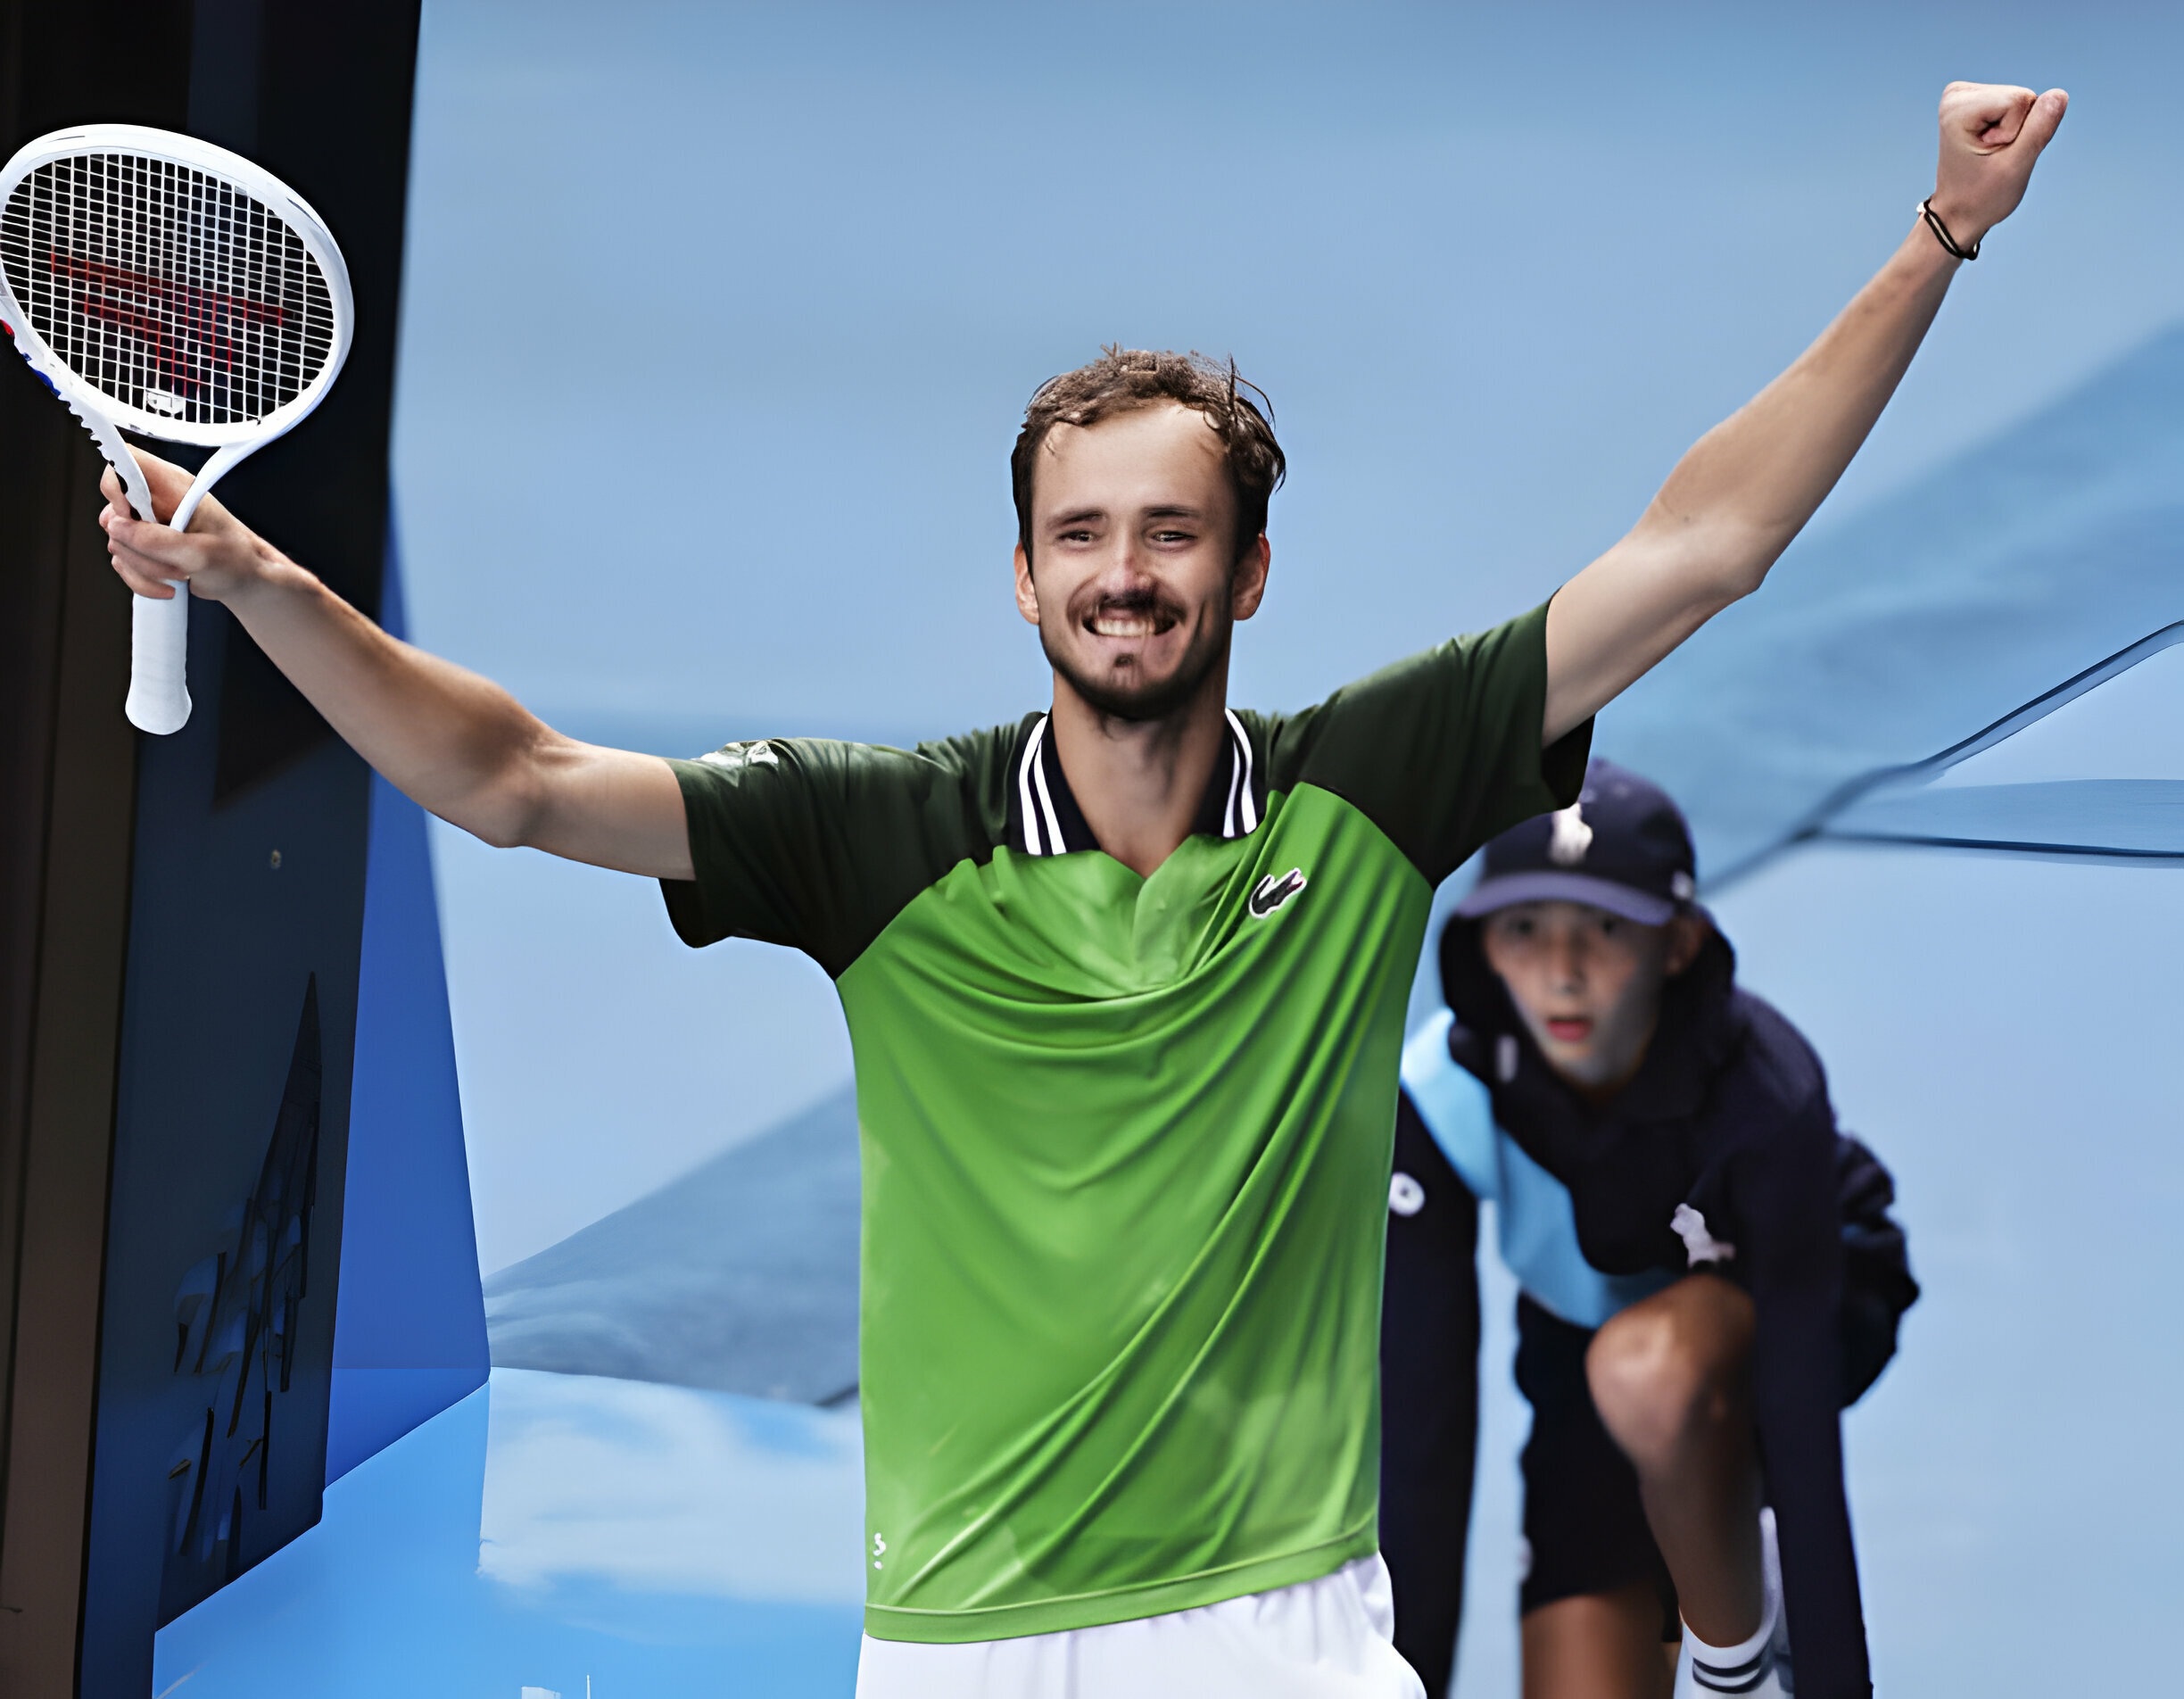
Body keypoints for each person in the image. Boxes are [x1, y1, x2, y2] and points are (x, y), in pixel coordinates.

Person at [98, 83, 2059, 1699]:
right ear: (1025, 581)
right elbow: (509, 784)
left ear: (1249, 574)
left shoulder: (1370, 788)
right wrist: (265, 584)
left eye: (1175, 532)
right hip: (959, 1634)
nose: (1128, 572)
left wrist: (1940, 234)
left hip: (1284, 1623)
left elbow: (1705, 545)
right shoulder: (877, 835)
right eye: (1084, 535)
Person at [1382, 763, 1919, 1699]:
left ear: (1676, 945)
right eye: (1524, 930)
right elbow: (1420, 1431)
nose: (1562, 971)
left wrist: (1816, 1676)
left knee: (1648, 1373)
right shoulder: (1439, 1094)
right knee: (1616, 1381)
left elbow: (1799, 1430)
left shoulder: (1767, 1094)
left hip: (1794, 1307)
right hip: (1581, 1356)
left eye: (1604, 929)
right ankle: (1713, 1577)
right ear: (1483, 949)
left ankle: (1734, 1653)